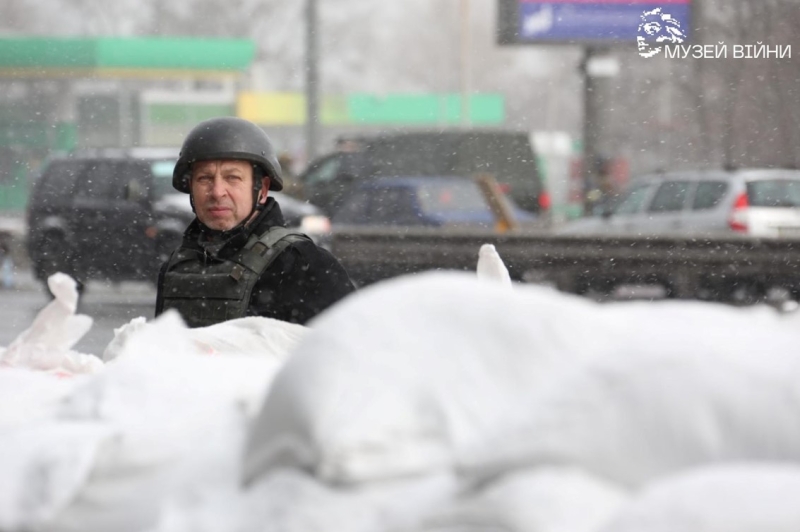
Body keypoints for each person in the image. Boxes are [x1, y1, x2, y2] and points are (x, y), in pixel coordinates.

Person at [155, 117, 355, 328]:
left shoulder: (304, 264)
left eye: (233, 178)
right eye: (204, 178)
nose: (217, 192)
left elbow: (346, 352)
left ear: (262, 189)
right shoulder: (177, 267)